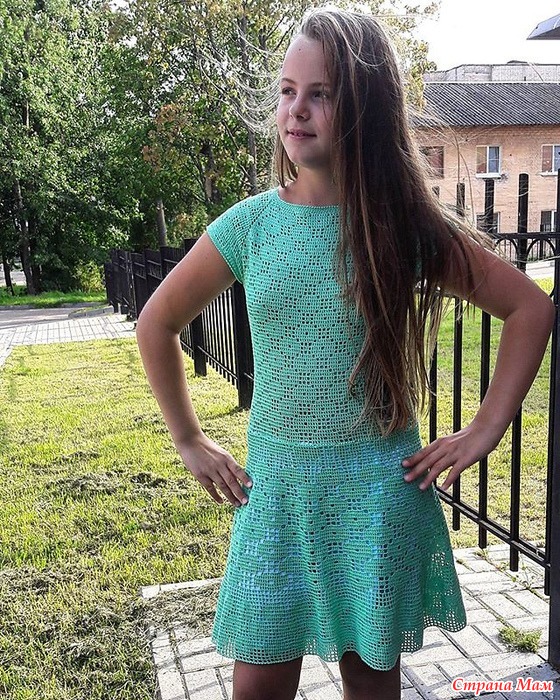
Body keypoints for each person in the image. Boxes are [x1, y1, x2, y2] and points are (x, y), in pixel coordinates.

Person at [135, 7, 555, 700]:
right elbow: (158, 323)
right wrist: (188, 437)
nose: (296, 109)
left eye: (320, 94)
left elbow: (530, 308)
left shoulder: (402, 227)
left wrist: (486, 428)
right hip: (277, 494)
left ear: (366, 109)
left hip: (376, 491)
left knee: (370, 680)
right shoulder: (250, 226)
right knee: (257, 683)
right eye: (287, 91)